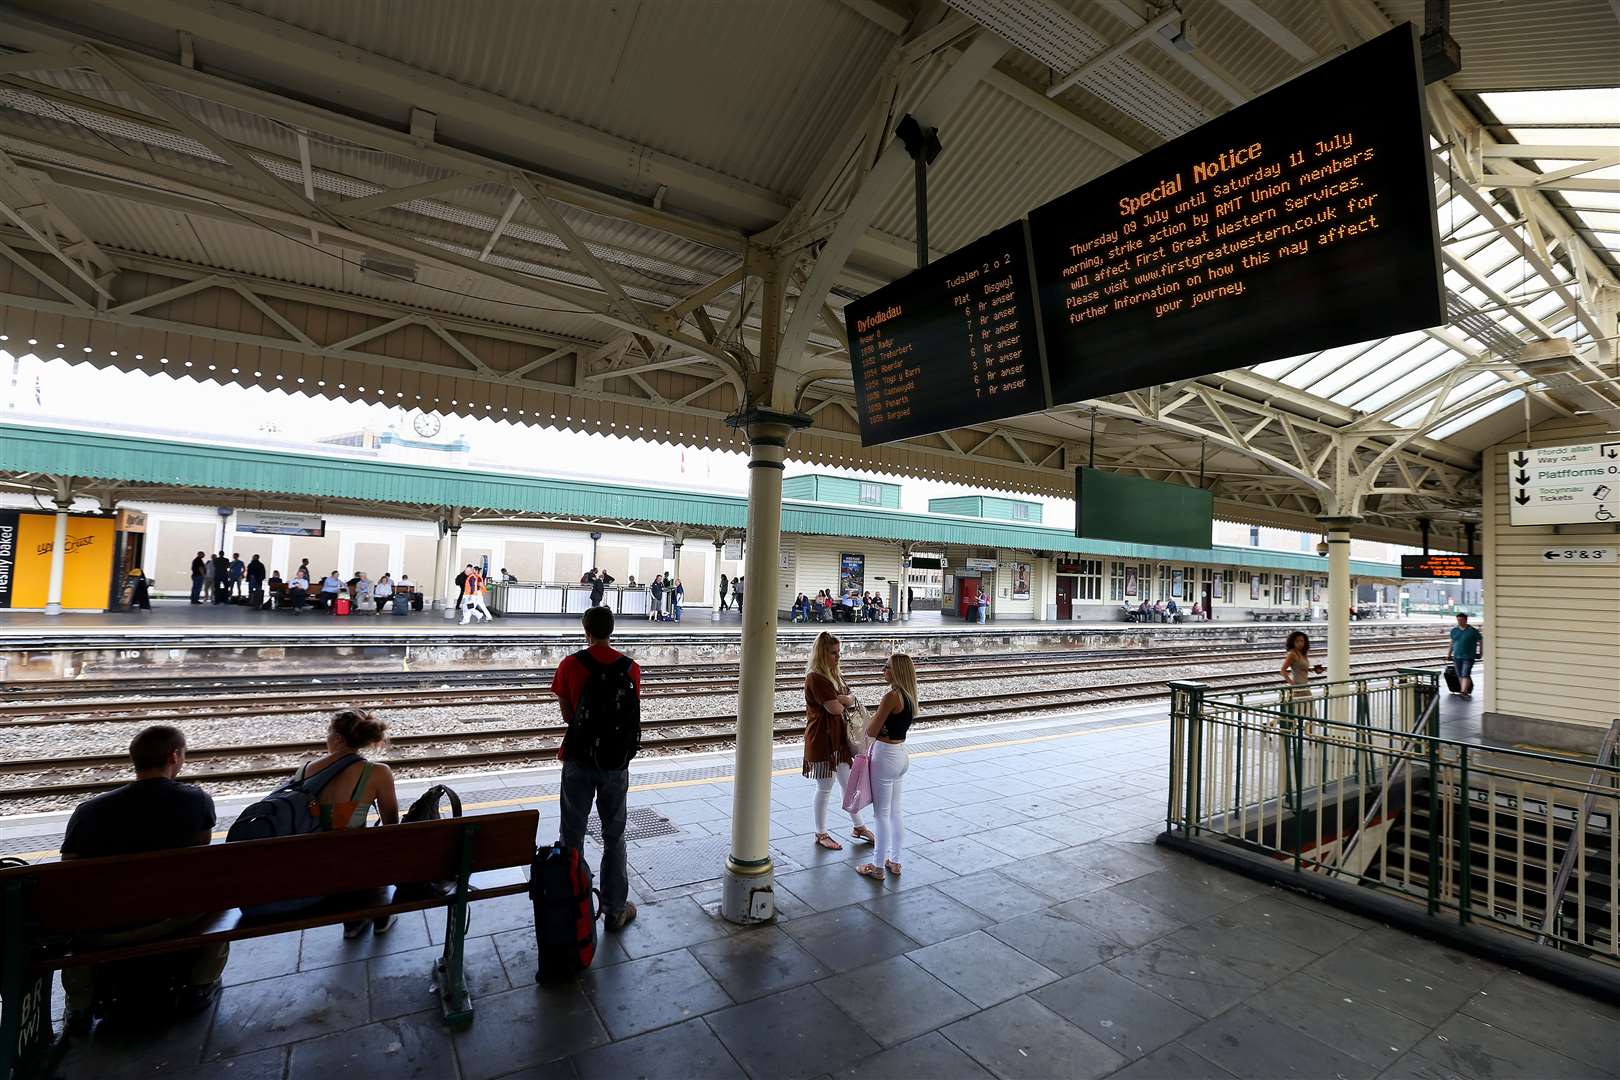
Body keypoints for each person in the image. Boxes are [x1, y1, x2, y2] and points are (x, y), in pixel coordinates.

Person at [58, 725, 227, 1033]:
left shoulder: (88, 811)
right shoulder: (197, 800)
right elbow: (201, 851)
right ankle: (201, 983)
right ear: (174, 756)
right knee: (219, 898)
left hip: (103, 928)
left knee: (76, 918)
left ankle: (80, 1005)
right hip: (174, 916)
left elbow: (69, 873)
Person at [552, 605, 639, 932]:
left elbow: (566, 715)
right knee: (614, 836)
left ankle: (574, 907)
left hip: (578, 759)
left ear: (585, 629)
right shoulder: (631, 668)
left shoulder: (570, 665)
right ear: (611, 630)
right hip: (615, 763)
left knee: (571, 835)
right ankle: (616, 909)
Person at [291, 710, 399, 938]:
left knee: (342, 855)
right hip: (357, 861)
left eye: (328, 732)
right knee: (372, 848)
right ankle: (381, 915)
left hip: (316, 864)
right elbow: (392, 824)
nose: (326, 737)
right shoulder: (378, 773)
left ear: (338, 739)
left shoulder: (306, 770)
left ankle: (353, 922)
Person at [802, 631, 873, 851]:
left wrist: (844, 699)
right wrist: (844, 700)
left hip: (838, 741)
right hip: (823, 740)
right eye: (833, 653)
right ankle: (821, 833)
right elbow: (836, 707)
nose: (838, 657)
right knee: (825, 787)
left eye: (838, 652)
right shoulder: (816, 678)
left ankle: (858, 826)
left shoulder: (834, 675)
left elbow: (850, 699)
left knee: (848, 784)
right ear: (822, 655)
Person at [855, 653, 919, 881]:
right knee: (895, 812)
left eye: (888, 667)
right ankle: (895, 861)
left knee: (880, 814)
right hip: (901, 754)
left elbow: (871, 731)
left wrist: (873, 723)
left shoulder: (891, 696)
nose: (884, 670)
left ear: (898, 672)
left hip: (885, 756)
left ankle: (877, 866)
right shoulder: (910, 696)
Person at [1448, 612, 1483, 698]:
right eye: (1458, 620)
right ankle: (1464, 690)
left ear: (1466, 620)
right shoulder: (1454, 631)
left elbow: (1481, 641)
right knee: (1460, 674)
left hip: (1469, 656)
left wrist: (1481, 653)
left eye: (1461, 620)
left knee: (1465, 673)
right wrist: (1449, 654)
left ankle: (1463, 691)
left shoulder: (1473, 631)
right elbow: (1452, 643)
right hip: (1457, 656)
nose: (1459, 621)